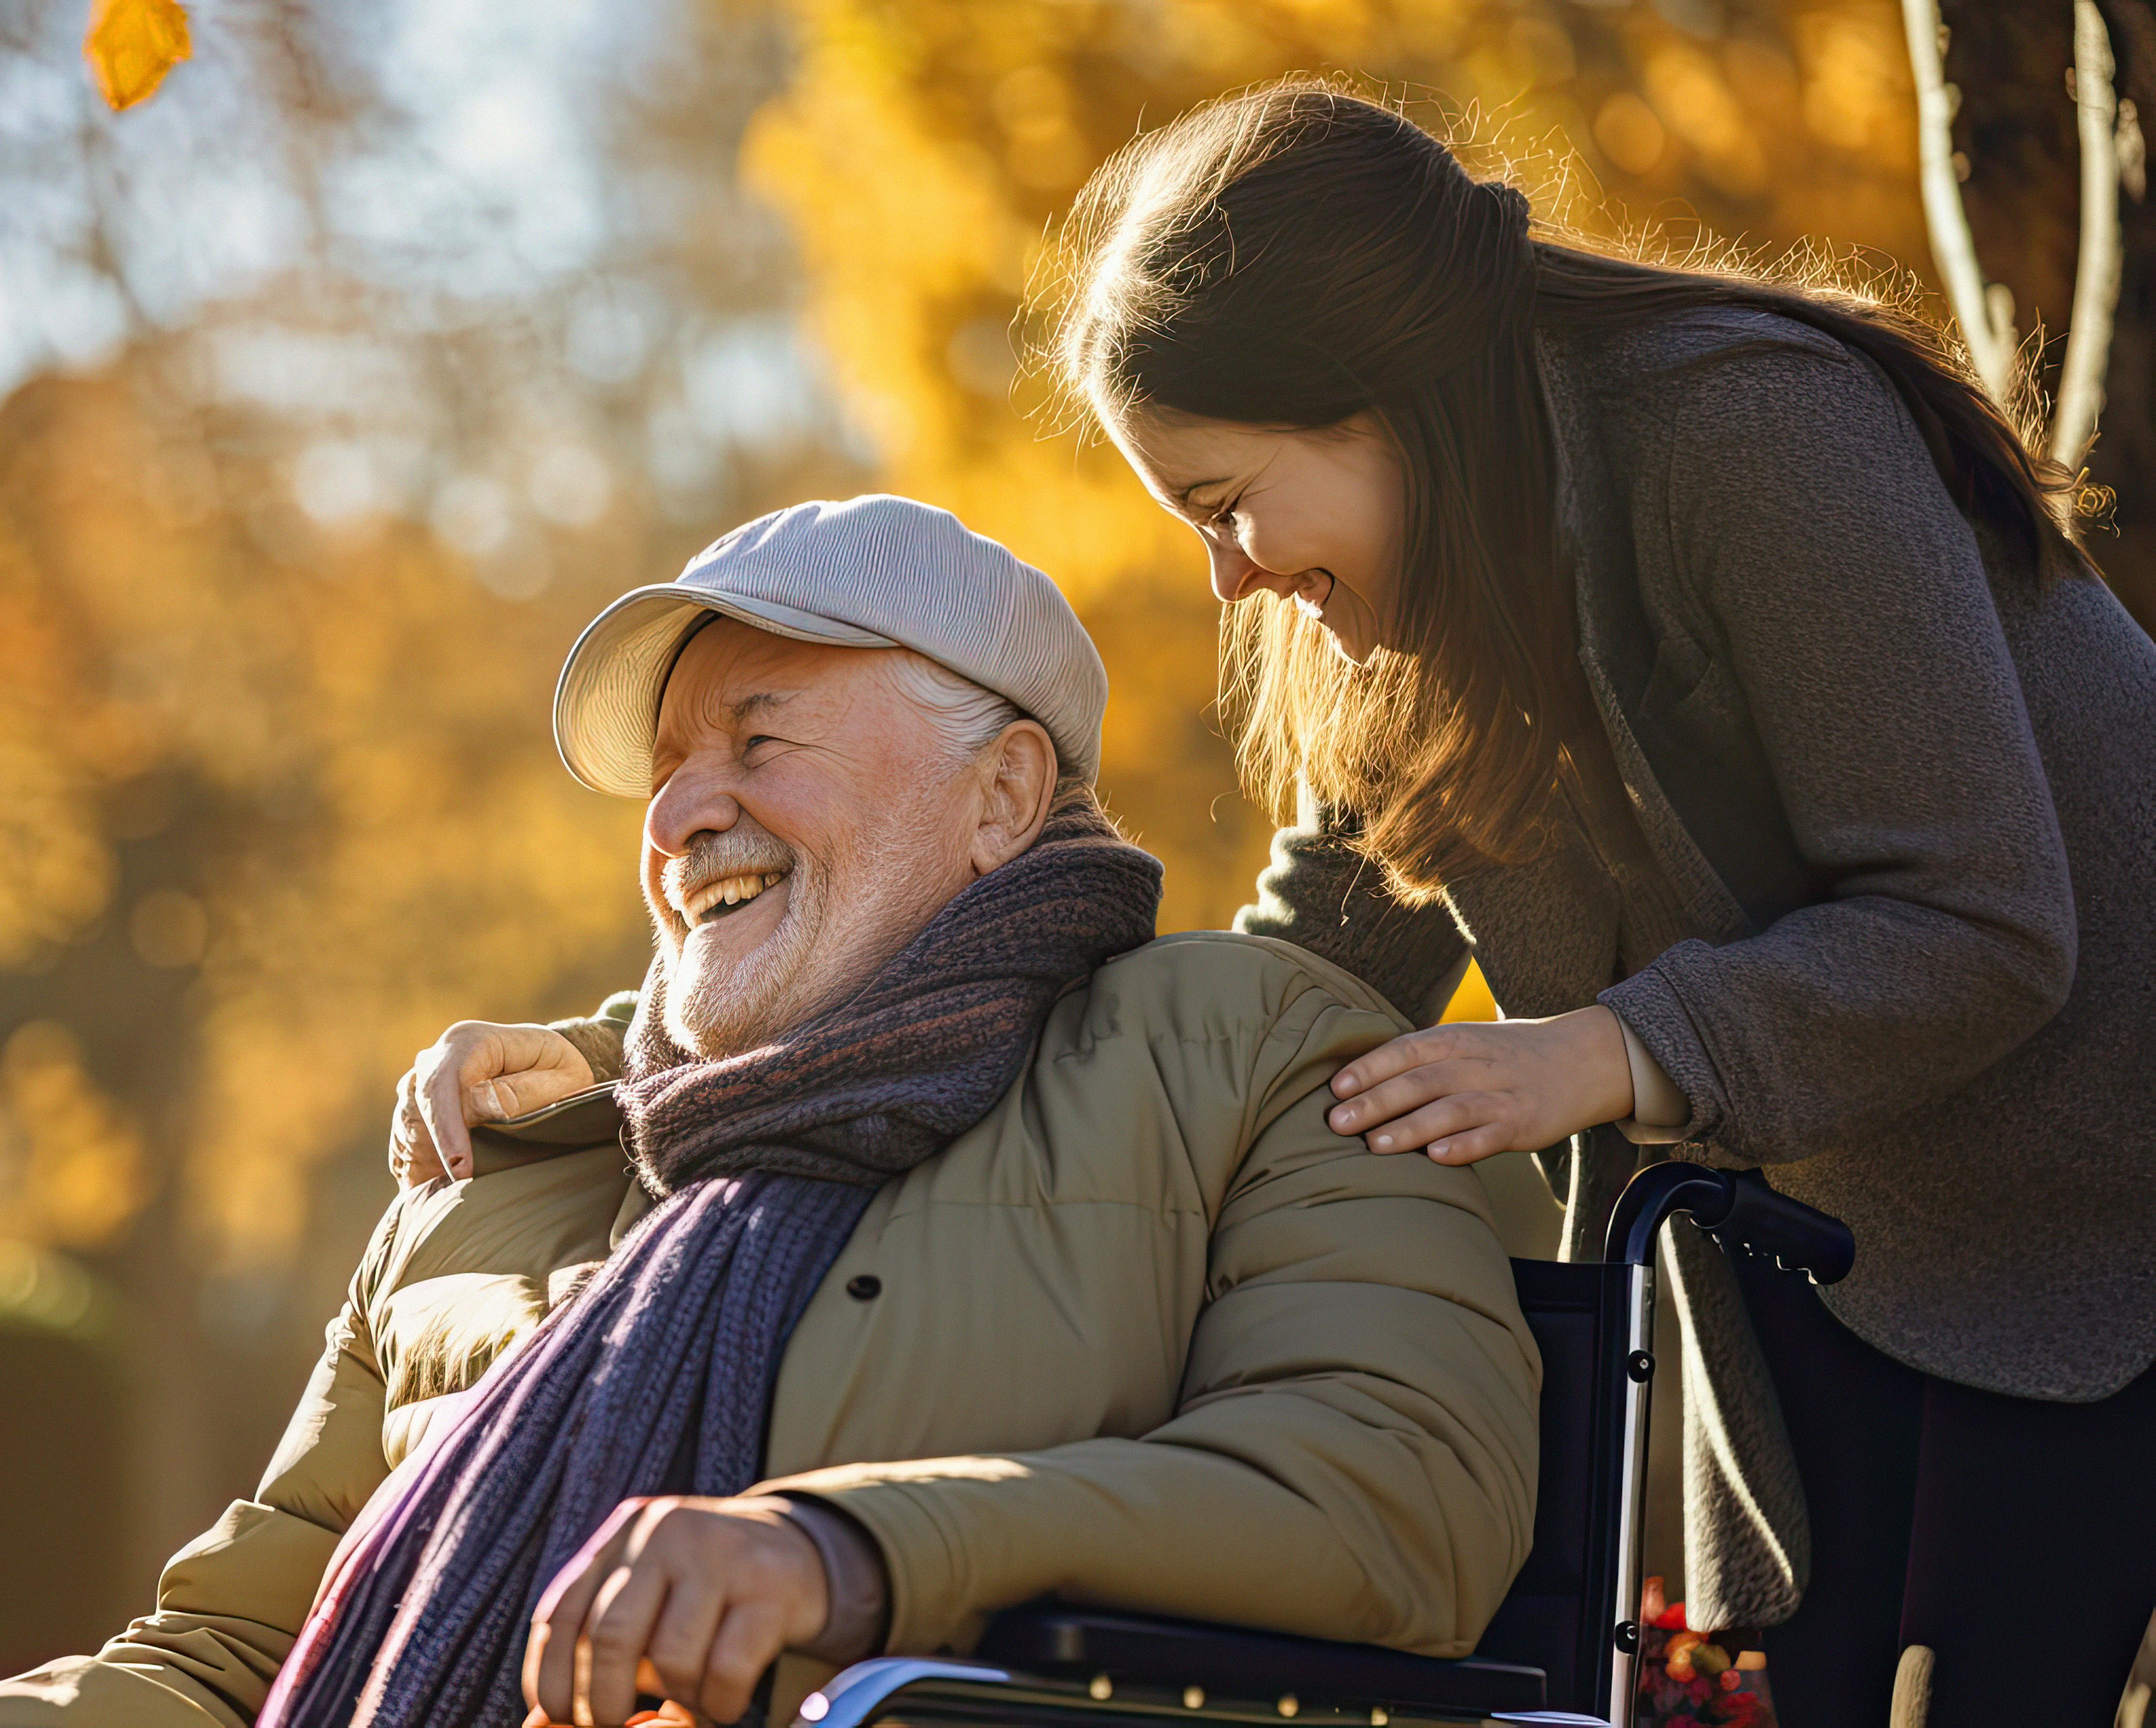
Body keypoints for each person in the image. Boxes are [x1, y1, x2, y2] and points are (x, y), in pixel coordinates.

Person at [403, 83, 2156, 1728]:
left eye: (1229, 503)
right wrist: (637, 1054)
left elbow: (1983, 923)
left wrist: (1605, 1053)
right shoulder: (1385, 626)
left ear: (1383, 392)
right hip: (1796, 1283)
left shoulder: (1751, 427)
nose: (1227, 575)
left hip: (2092, 1224)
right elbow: (1233, 1028)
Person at [0, 496, 1539, 1728]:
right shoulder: (501, 1165)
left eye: (759, 737)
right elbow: (234, 1655)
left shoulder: (1239, 1053)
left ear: (1002, 796)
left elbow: (1394, 1497)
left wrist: (849, 1548)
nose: (680, 810)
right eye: (666, 765)